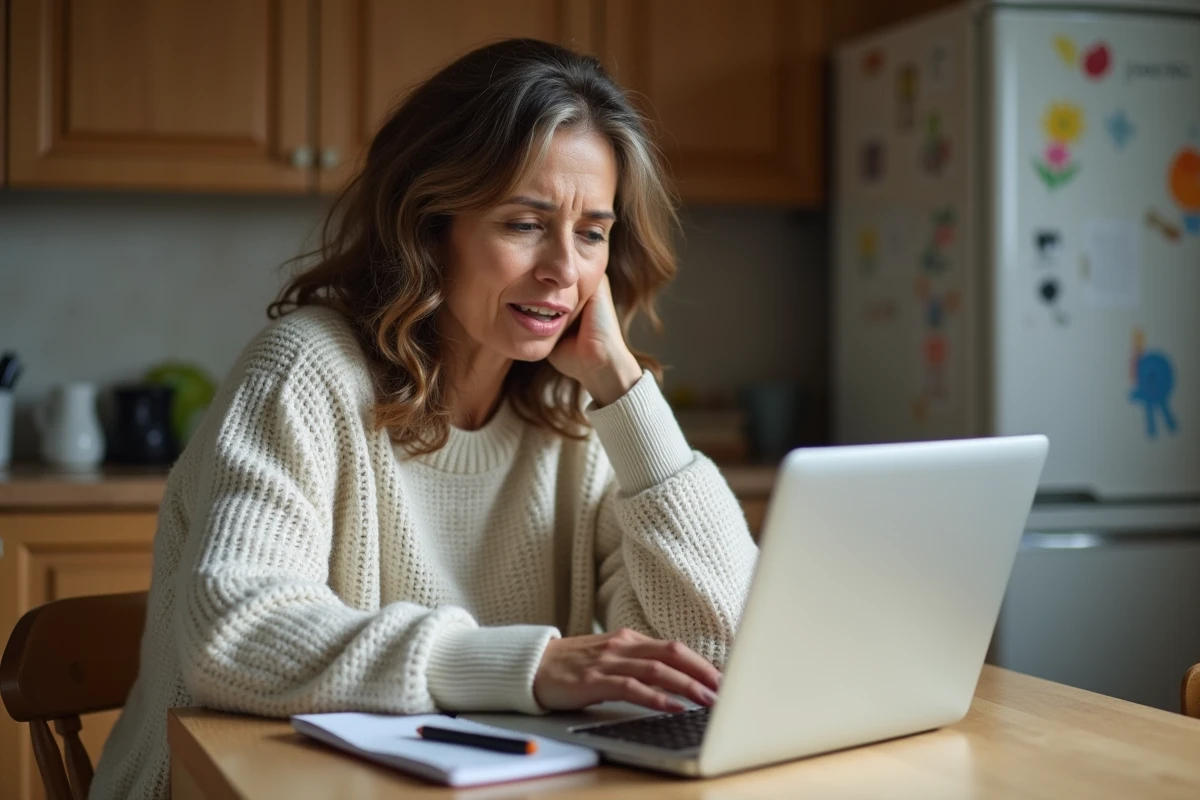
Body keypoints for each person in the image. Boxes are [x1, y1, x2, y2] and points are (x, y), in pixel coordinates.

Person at [90, 38, 758, 799]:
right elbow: (234, 634)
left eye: (591, 233)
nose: (563, 271)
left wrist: (622, 386)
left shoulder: (580, 410)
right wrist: (528, 667)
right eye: (525, 223)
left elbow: (718, 656)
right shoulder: (305, 369)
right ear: (430, 224)